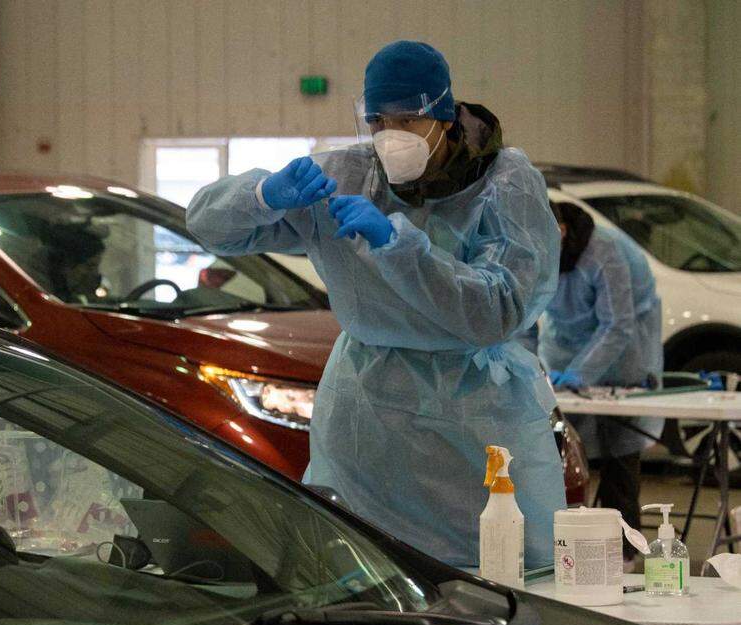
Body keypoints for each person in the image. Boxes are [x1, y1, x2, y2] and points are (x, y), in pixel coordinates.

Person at [186, 40, 564, 567]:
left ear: (445, 116)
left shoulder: (503, 183)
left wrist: (399, 248)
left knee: (497, 564)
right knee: (363, 566)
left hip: (475, 415)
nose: (391, 136)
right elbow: (207, 226)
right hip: (366, 410)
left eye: (408, 120)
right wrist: (262, 196)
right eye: (378, 120)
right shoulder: (347, 175)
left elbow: (496, 310)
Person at [539, 201, 663, 563]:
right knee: (561, 449)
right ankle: (562, 546)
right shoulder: (533, 247)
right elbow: (523, 316)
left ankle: (624, 551)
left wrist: (581, 373)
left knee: (619, 448)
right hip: (563, 346)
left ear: (561, 230)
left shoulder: (603, 250)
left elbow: (617, 324)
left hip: (622, 347)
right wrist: (529, 365)